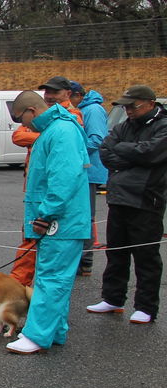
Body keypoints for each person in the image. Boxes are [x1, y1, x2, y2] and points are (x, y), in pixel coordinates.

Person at [4, 90, 90, 354]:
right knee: (51, 277)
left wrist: (46, 214)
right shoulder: (56, 129)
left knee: (51, 278)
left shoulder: (61, 131)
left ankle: (37, 335)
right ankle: (54, 331)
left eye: (20, 118)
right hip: (60, 220)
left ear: (31, 111)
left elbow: (63, 178)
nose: (22, 125)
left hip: (61, 221)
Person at [88, 85, 167, 325]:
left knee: (146, 256)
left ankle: (146, 306)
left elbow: (151, 153)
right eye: (126, 107)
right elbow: (105, 150)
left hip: (146, 199)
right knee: (116, 252)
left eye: (133, 106)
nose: (129, 111)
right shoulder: (124, 126)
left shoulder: (162, 126)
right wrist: (133, 155)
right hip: (118, 197)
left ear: (150, 103)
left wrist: (123, 150)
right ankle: (113, 298)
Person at [9, 75, 85, 284]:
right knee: (31, 238)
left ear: (68, 93)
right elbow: (17, 136)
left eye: (55, 92)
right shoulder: (46, 120)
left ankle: (18, 283)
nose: (50, 96)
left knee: (50, 265)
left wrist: (48, 212)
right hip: (36, 188)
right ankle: (19, 285)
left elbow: (65, 177)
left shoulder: (67, 121)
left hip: (53, 201)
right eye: (47, 92)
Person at [71, 81, 108, 276]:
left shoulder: (92, 110)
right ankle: (80, 260)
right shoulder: (84, 109)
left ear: (78, 95)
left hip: (88, 171)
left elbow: (96, 139)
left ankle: (85, 261)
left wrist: (72, 154)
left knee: (85, 216)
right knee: (80, 215)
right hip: (84, 170)